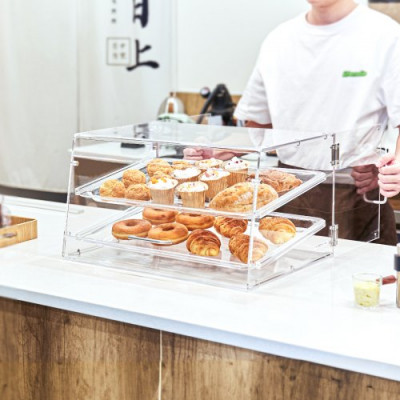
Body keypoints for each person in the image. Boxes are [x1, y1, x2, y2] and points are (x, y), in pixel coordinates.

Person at [186, 0, 400, 244]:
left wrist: (393, 166)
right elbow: (259, 125)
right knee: (284, 275)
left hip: (352, 190)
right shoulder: (280, 40)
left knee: (359, 280)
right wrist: (217, 153)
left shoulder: (385, 35)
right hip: (285, 190)